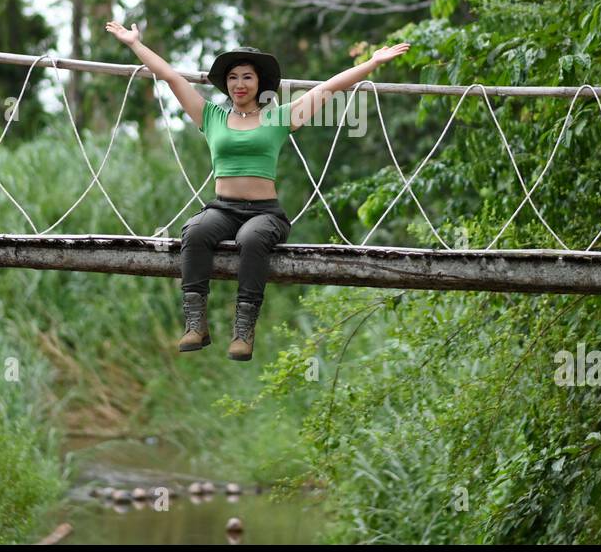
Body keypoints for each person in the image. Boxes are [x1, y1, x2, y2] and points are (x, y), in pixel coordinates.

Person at [105, 20, 409, 360]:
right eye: (233, 78)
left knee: (251, 239)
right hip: (222, 209)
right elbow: (171, 76)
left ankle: (244, 331)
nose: (239, 84)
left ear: (259, 83)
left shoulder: (280, 118)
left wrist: (373, 62)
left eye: (247, 77)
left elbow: (330, 87)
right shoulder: (211, 116)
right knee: (195, 231)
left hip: (265, 213)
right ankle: (195, 323)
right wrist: (135, 43)